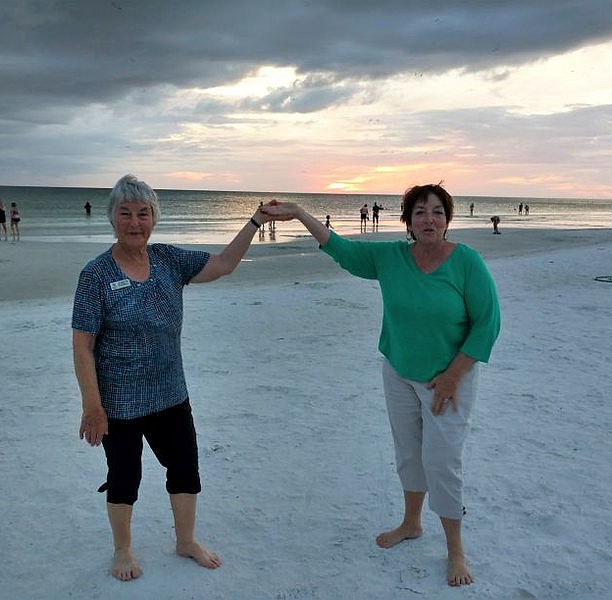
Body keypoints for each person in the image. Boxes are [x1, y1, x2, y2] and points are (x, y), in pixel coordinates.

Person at [262, 183, 500, 587]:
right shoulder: (391, 258)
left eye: (438, 212)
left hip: (449, 379)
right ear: (407, 220)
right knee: (409, 453)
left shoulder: (467, 263)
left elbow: (487, 323)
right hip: (399, 372)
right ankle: (411, 524)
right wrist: (301, 214)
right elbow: (343, 251)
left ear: (448, 220)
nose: (430, 219)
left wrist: (452, 376)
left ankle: (455, 549)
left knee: (442, 463)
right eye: (421, 212)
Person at [72, 174, 272, 581]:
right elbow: (82, 346)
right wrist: (92, 406)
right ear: (112, 219)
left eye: (142, 214)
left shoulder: (167, 260)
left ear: (153, 218)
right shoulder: (95, 275)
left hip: (170, 395)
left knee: (185, 469)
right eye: (125, 214)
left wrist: (255, 221)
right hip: (120, 403)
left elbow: (223, 264)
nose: (134, 222)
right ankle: (123, 549)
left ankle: (185, 541)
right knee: (124, 478)